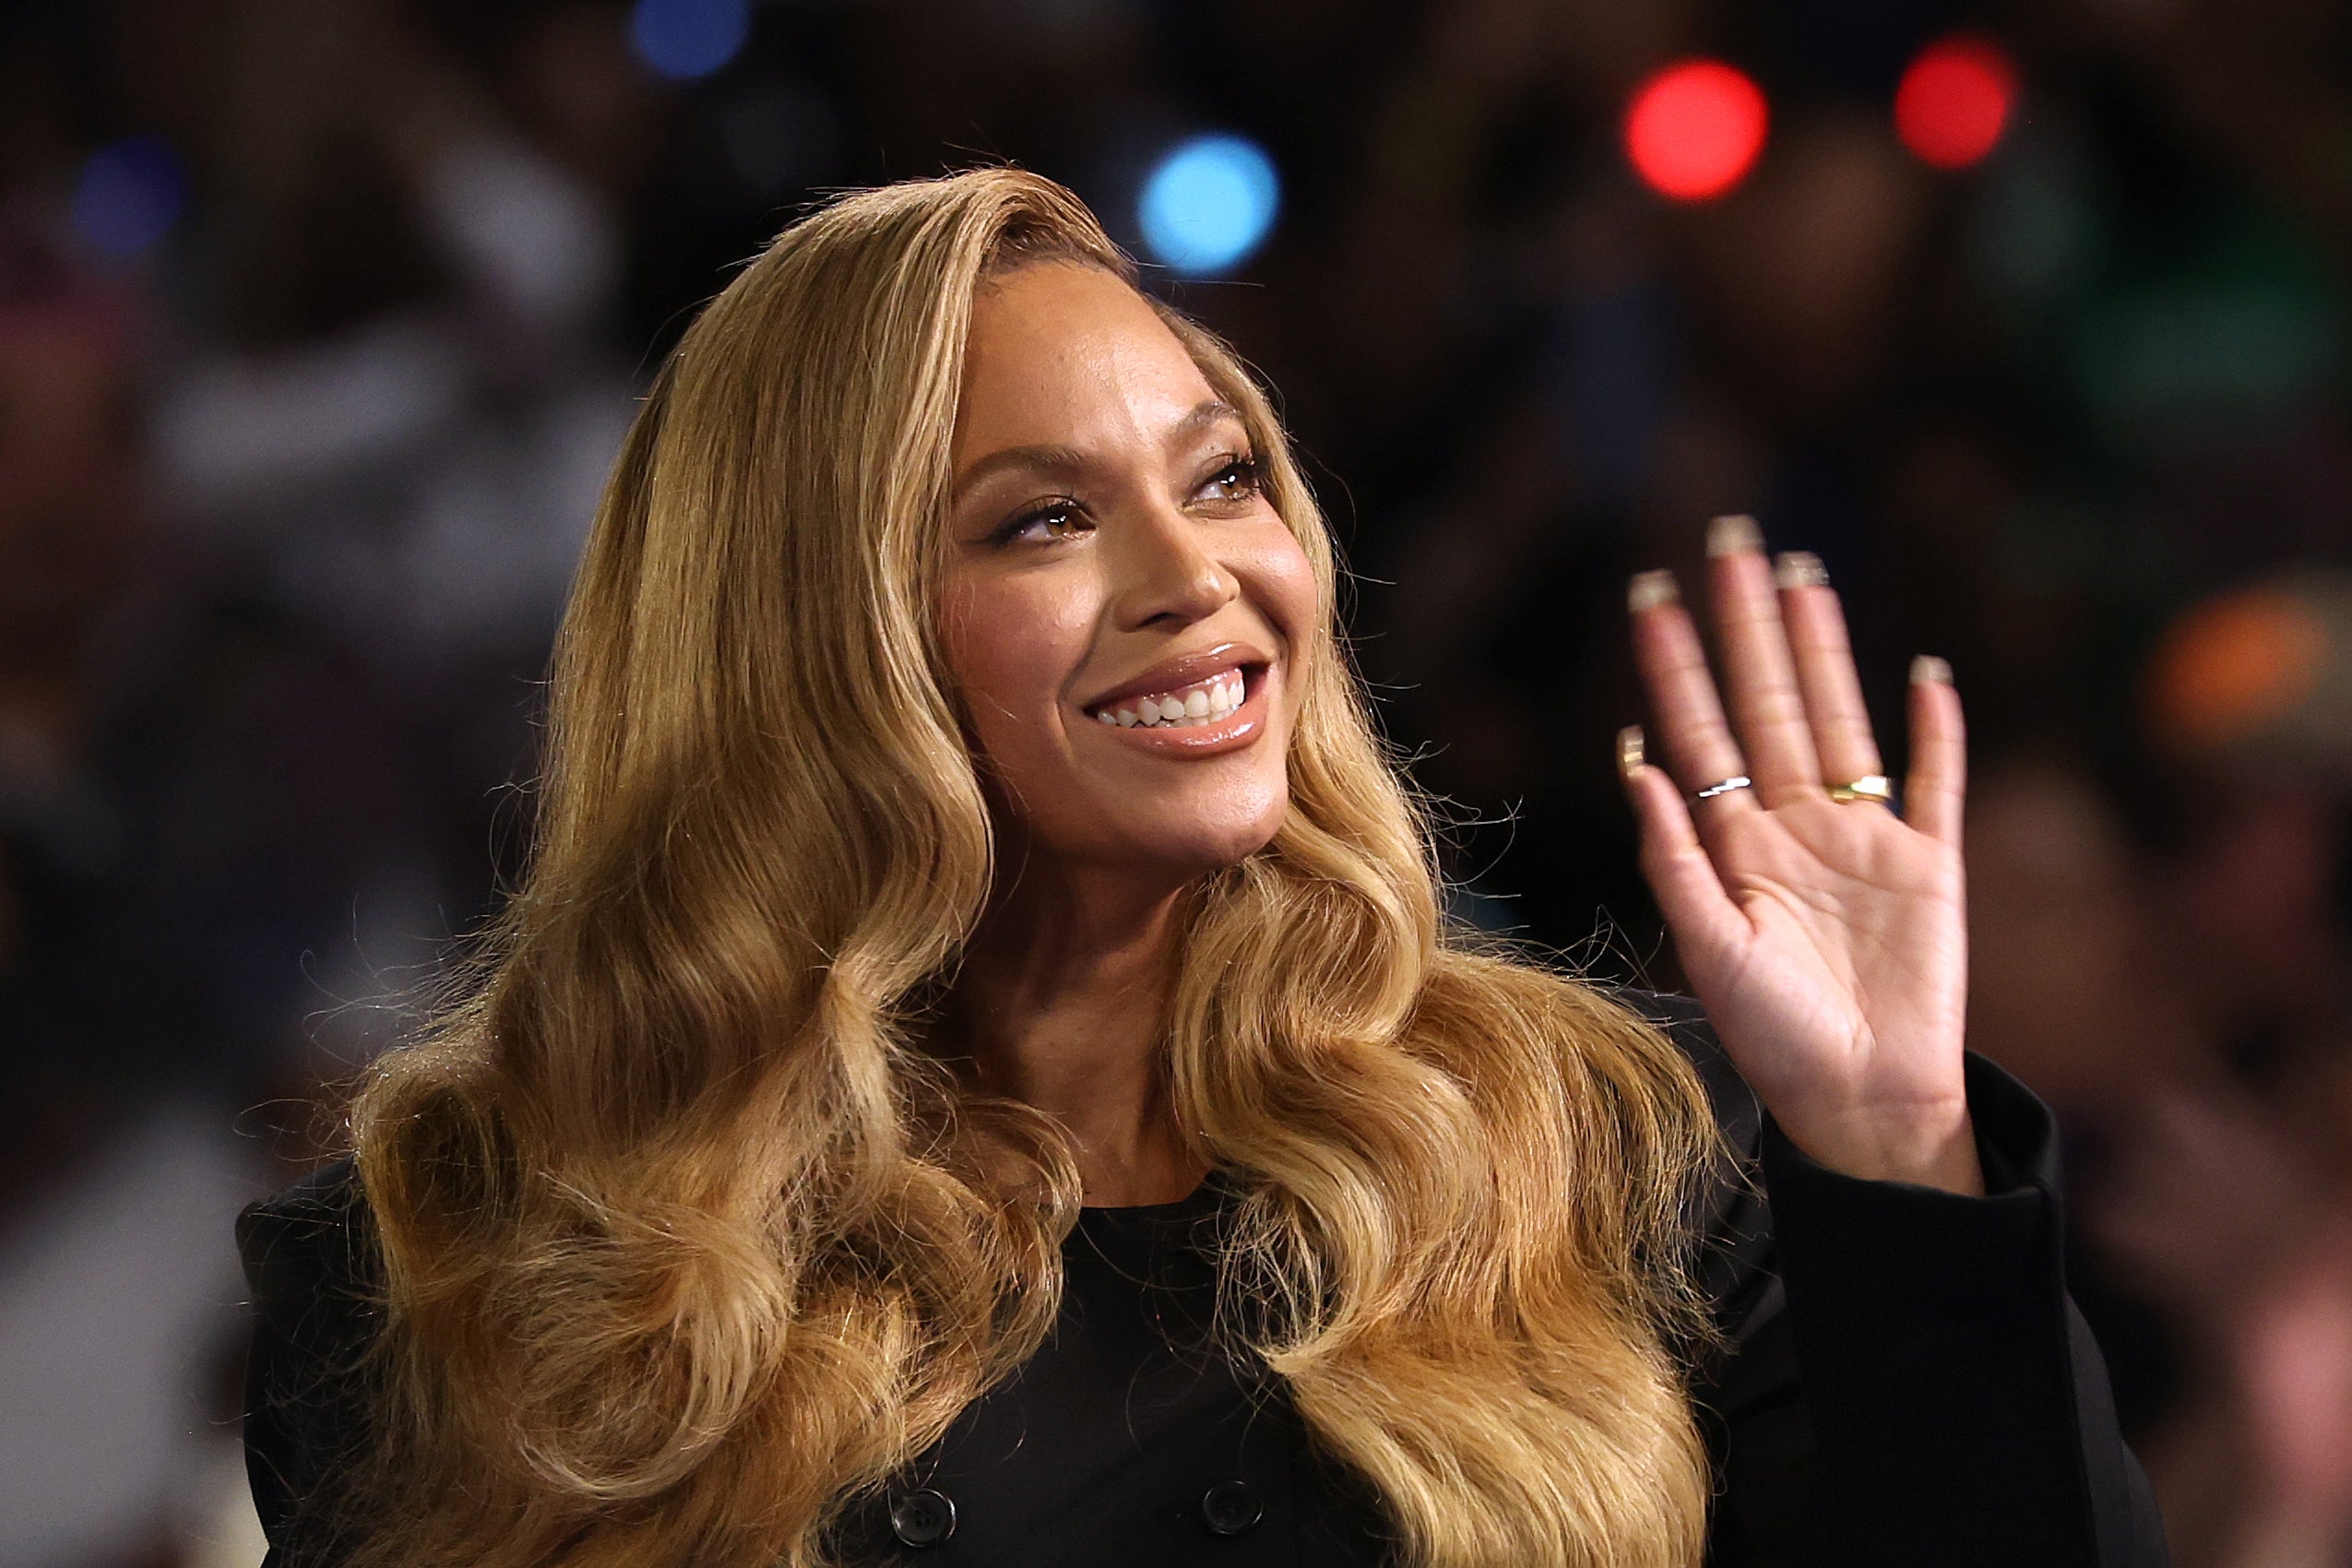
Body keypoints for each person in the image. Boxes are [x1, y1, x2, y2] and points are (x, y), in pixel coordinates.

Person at [237, 169, 2168, 1567]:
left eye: (1227, 474)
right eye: (1047, 517)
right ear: (812, 642)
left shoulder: (1607, 1158)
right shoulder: (455, 1259)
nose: (1200, 581)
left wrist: (1894, 1146)